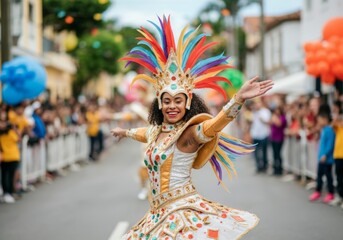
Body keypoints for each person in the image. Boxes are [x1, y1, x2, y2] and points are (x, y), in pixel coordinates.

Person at [111, 17, 273, 239]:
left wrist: (237, 100)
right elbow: (142, 133)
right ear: (159, 103)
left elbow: (213, 126)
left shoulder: (189, 133)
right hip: (157, 214)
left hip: (181, 212)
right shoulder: (156, 131)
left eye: (178, 100)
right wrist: (124, 132)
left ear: (187, 103)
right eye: (167, 100)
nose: (172, 106)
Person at [309, 110, 335, 203]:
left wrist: (325, 154)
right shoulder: (323, 130)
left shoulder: (330, 130)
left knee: (328, 176)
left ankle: (331, 193)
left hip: (327, 159)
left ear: (325, 119)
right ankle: (318, 191)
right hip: (321, 158)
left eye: (320, 120)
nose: (319, 122)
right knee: (319, 175)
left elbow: (330, 144)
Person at [0, 110, 21, 203]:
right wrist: (15, 129)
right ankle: (8, 193)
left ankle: (8, 193)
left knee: (6, 175)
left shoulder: (8, 133)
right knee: (7, 176)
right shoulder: (10, 133)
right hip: (9, 157)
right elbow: (19, 138)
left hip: (9, 156)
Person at [250, 99, 271, 173]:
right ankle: (258, 166)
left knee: (264, 151)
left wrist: (262, 119)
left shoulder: (265, 111)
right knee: (256, 151)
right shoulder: (253, 112)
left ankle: (265, 166)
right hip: (255, 134)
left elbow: (268, 121)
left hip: (264, 134)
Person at [269, 106, 287, 175]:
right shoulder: (274, 117)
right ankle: (275, 168)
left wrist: (275, 118)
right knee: (274, 154)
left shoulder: (282, 117)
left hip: (279, 138)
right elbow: (270, 123)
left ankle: (279, 169)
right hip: (273, 137)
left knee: (278, 153)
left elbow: (279, 124)